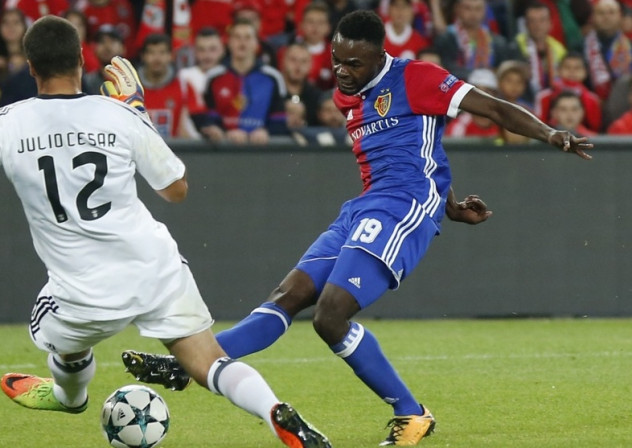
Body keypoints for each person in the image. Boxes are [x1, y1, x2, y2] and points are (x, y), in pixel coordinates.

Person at [121, 9, 592, 447]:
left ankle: (413, 414)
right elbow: (410, 147)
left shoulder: (417, 77)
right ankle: (194, 364)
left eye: (354, 63)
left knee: (330, 316)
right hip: (365, 208)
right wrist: (449, 202)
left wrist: (550, 133)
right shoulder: (346, 94)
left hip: (402, 207)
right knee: (288, 296)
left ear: (378, 55)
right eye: (337, 60)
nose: (343, 71)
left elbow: (493, 108)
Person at [0, 15, 332, 448]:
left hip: (81, 292)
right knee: (208, 361)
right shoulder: (118, 114)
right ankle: (272, 409)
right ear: (83, 61)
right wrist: (136, 109)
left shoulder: (3, 125)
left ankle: (70, 396)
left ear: (30, 68)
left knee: (57, 339)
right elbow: (176, 190)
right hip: (155, 267)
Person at [197, 18, 288, 143]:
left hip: (262, 150)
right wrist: (223, 132)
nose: (242, 42)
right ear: (228, 42)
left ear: (256, 43)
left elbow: (279, 120)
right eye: (237, 37)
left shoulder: (273, 77)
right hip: (224, 151)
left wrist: (266, 131)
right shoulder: (214, 77)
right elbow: (209, 118)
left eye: (247, 37)